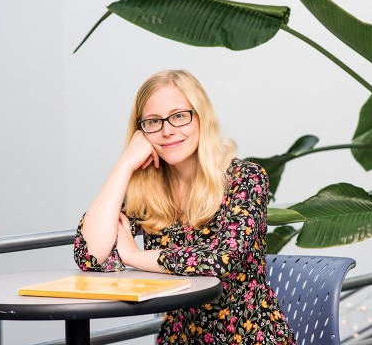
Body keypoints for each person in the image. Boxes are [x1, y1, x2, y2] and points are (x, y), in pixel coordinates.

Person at [73, 69, 296, 344]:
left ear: (202, 117)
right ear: (140, 131)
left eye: (179, 116)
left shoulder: (245, 178)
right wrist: (125, 165)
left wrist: (133, 256)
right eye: (153, 122)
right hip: (180, 338)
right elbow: (89, 255)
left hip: (249, 337)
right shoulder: (148, 191)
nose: (167, 131)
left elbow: (218, 260)